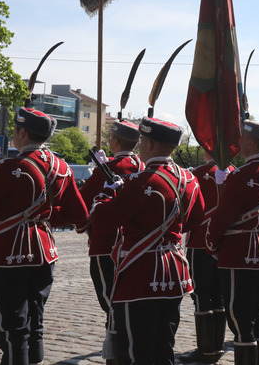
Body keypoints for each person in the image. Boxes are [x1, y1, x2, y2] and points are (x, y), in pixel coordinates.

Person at [0, 107, 89, 365]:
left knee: (10, 328)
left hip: (7, 255)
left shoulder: (10, 167)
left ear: (22, 132)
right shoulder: (61, 167)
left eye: (15, 130)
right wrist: (41, 217)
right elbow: (79, 213)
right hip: (45, 253)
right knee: (34, 322)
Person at [90, 117, 205, 365]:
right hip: (174, 274)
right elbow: (195, 219)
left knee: (136, 352)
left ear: (150, 144)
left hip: (140, 274)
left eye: (142, 140)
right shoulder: (189, 180)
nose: (139, 145)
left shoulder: (140, 182)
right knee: (164, 348)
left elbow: (101, 221)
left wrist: (106, 193)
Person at [205, 120, 259, 365]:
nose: (237, 144)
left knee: (240, 320)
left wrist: (211, 243)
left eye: (241, 140)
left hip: (239, 253)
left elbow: (222, 216)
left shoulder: (243, 175)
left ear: (249, 142)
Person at [78, 120, 145, 365]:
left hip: (107, 246)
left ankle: (120, 356)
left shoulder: (109, 168)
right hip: (138, 248)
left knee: (113, 306)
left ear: (115, 142)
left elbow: (82, 205)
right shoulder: (143, 165)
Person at [180, 150, 231, 364]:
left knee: (201, 295)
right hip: (224, 243)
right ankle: (217, 346)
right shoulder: (233, 173)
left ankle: (206, 350)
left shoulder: (198, 174)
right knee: (219, 295)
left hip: (200, 241)